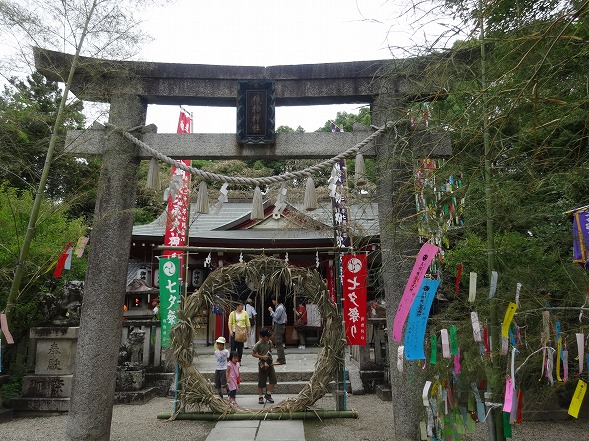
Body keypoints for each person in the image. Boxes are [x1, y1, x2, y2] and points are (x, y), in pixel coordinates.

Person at [252, 327, 277, 404]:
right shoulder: (258, 344)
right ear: (262, 336)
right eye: (267, 336)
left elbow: (270, 350)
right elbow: (253, 354)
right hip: (262, 364)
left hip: (269, 363)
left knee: (273, 379)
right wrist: (262, 357)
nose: (268, 337)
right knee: (262, 381)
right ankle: (260, 396)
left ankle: (268, 394)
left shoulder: (269, 342)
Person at [268, 296, 286, 365]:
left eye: (273, 300)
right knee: (278, 342)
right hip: (279, 325)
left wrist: (271, 311)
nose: (272, 302)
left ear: (276, 300)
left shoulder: (280, 308)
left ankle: (281, 359)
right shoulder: (281, 307)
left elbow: (276, 317)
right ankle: (281, 358)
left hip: (279, 326)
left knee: (278, 342)